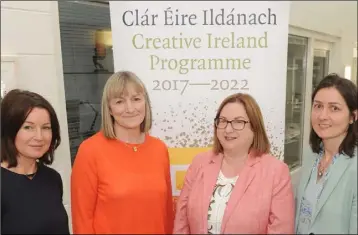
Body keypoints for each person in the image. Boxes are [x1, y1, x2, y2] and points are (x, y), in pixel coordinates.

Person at [173, 93, 295, 234]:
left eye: (238, 122)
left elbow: (281, 230)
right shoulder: (199, 163)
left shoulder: (276, 172)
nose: (228, 129)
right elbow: (181, 223)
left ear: (255, 128)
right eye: (223, 121)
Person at [71, 71, 174, 234]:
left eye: (136, 99)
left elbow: (167, 213)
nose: (130, 108)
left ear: (145, 103)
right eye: (120, 101)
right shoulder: (90, 150)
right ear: (109, 109)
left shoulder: (159, 149)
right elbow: (82, 220)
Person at [295, 74, 357, 234]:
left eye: (334, 108)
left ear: (353, 116)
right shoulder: (312, 155)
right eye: (318, 106)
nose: (322, 116)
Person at [1, 89, 69, 234]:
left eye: (46, 128)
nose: (39, 136)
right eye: (28, 127)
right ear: (9, 130)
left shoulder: (52, 178)